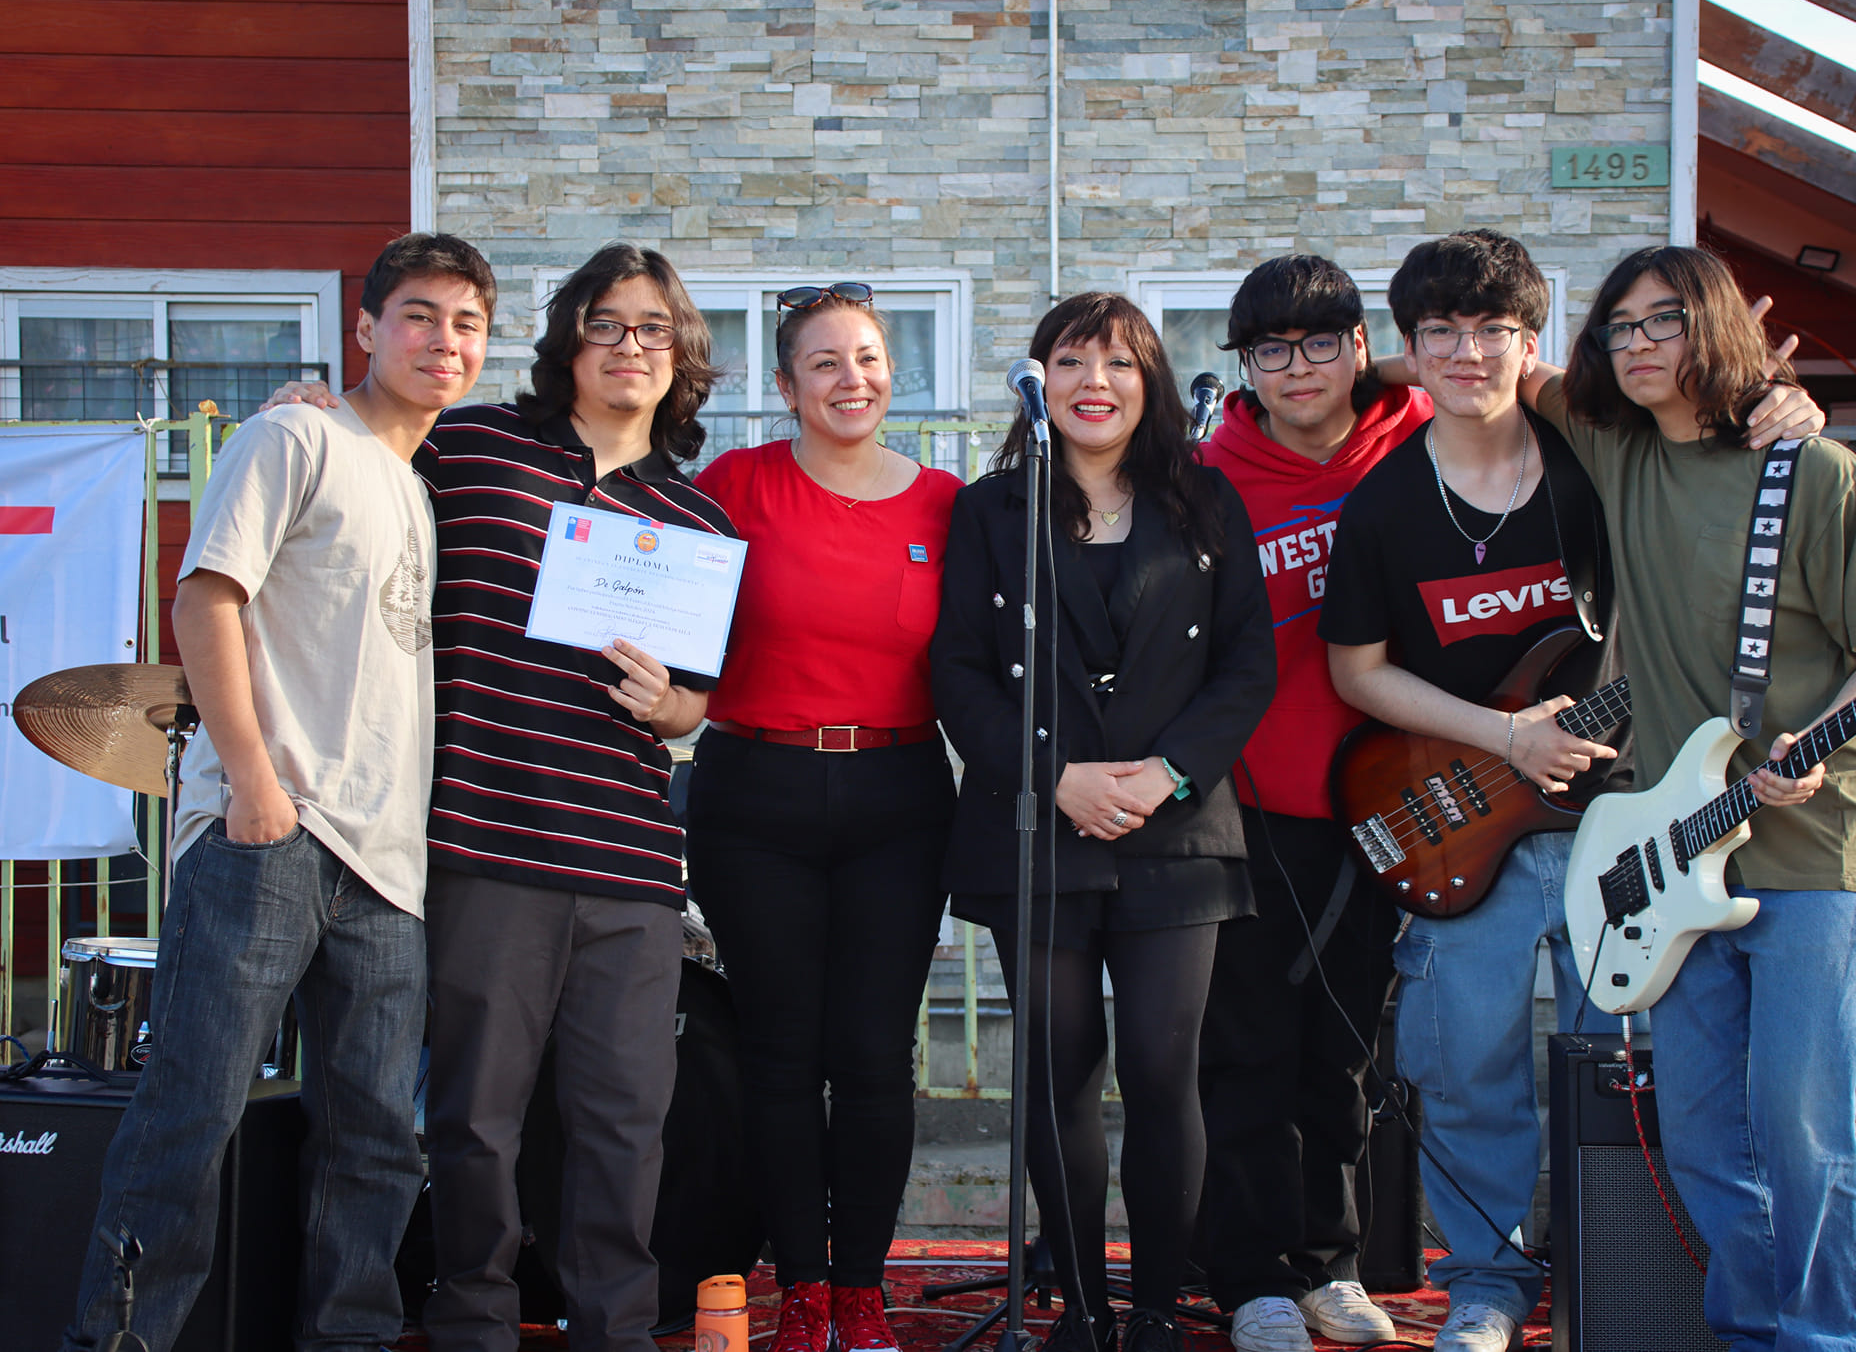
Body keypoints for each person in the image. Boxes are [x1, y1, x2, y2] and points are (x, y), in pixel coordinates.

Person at [267, 242, 738, 1352]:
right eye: (608, 325)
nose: (630, 347)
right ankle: (472, 1320)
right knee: (475, 1122)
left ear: (681, 358)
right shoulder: (470, 448)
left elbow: (691, 712)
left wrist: (672, 705)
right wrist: (308, 409)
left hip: (627, 860)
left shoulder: (702, 526)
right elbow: (360, 458)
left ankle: (613, 1329)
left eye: (653, 330)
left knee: (625, 1124)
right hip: (483, 841)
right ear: (570, 339)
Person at [62, 232, 495, 1352]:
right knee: (187, 1122)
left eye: (465, 324)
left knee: (374, 1148)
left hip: (387, 869)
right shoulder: (293, 434)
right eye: (417, 315)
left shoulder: (424, 483)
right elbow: (205, 602)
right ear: (364, 328)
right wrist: (252, 787)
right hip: (271, 839)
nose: (441, 341)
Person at [1533, 244, 1856, 1352]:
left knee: (1803, 1132)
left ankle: (1832, 1338)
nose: (1640, 346)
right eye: (1619, 327)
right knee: (1700, 1135)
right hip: (1675, 847)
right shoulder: (1612, 445)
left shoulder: (1816, 474)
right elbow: (1505, 371)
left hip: (1812, 847)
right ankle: (1757, 1332)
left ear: (1716, 329)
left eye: (1665, 323)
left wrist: (1807, 738)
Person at [932, 291, 1278, 1352]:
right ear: (1037, 379)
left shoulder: (1206, 501)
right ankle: (1079, 1307)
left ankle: (1160, 1307)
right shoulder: (991, 510)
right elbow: (959, 672)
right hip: (1035, 829)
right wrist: (1058, 778)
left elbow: (1244, 666)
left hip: (1175, 830)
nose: (1095, 382)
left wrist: (1166, 773)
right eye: (1072, 361)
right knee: (1057, 1070)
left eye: (1119, 363)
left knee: (1165, 1072)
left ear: (1149, 383)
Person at [1319, 230, 1633, 1352]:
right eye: (1439, 332)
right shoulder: (1384, 503)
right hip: (1459, 823)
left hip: (1617, 820)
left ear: (1528, 337)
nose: (1466, 351)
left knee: (1625, 1072)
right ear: (1409, 347)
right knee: (1464, 1071)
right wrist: (1503, 733)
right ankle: (1490, 1284)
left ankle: (1613, 1277)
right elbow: (1355, 671)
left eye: (1492, 328)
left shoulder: (1594, 459)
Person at [684, 282, 964, 1352]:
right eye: (826, 363)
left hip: (898, 798)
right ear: (786, 385)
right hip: (756, 795)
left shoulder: (944, 504)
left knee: (874, 1054)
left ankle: (861, 1286)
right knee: (779, 1052)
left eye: (869, 358)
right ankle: (799, 1287)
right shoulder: (735, 485)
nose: (853, 380)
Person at [1192, 254, 1432, 1352]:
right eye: (1271, 350)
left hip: (1399, 804)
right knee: (1242, 1049)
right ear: (1245, 365)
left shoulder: (1426, 438)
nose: (1298, 369)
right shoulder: (1208, 478)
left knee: (1342, 1056)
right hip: (1251, 806)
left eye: (1320, 343)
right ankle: (1247, 1278)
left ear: (1360, 348)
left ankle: (1333, 1265)